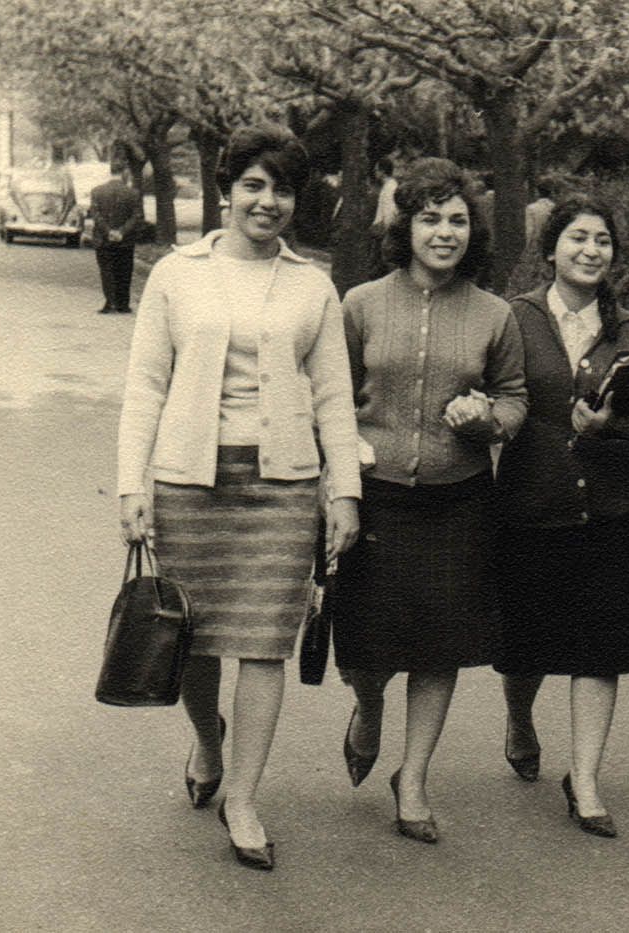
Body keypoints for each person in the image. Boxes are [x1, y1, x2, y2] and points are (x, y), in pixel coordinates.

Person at [117, 124, 362, 871]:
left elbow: (334, 397)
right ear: (228, 190)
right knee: (191, 638)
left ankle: (245, 795)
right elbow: (145, 385)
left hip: (282, 489)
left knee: (262, 643)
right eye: (253, 185)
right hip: (189, 483)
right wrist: (132, 483)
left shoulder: (311, 284)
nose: (267, 201)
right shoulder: (175, 275)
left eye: (282, 188)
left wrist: (343, 489)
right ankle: (207, 737)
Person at [327, 157, 527, 844]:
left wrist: (489, 418)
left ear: (474, 231)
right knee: (364, 649)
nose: (445, 232)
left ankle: (411, 778)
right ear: (405, 225)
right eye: (431, 217)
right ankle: (367, 706)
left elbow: (514, 399)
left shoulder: (494, 314)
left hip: (457, 501)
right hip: (375, 497)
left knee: (439, 649)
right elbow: (331, 400)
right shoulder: (358, 304)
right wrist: (341, 478)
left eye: (458, 220)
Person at [494, 194, 629, 838]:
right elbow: (489, 391)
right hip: (529, 506)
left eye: (602, 240)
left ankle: (587, 780)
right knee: (526, 643)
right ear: (550, 249)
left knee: (599, 647)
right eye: (578, 237)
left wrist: (612, 427)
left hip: (610, 510)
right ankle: (519, 717)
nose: (591, 250)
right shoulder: (514, 320)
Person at [89, 163, 144, 313]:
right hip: (125, 240)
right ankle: (123, 304)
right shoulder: (133, 193)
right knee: (124, 270)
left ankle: (110, 302)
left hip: (103, 238)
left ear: (110, 172)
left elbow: (95, 214)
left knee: (106, 270)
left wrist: (108, 231)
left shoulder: (97, 191)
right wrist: (122, 231)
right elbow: (136, 216)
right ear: (124, 173)